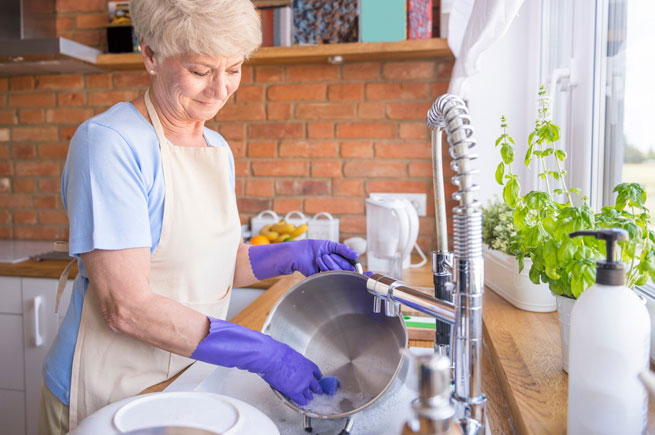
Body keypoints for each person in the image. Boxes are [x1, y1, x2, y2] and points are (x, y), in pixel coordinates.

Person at [37, 0, 359, 433]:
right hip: (108, 395)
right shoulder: (110, 144)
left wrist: (295, 255)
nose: (220, 89)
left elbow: (212, 266)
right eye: (201, 71)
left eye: (235, 69)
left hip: (184, 384)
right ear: (150, 55)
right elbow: (126, 308)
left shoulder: (216, 147)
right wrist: (262, 352)